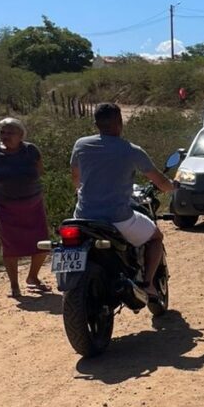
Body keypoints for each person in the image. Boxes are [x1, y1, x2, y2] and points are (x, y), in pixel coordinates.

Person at [70, 103, 175, 297]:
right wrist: (173, 187)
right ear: (120, 122)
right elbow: (160, 181)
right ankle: (147, 283)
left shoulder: (81, 144)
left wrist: (81, 190)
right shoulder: (131, 150)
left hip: (83, 216)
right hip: (117, 218)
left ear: (96, 124)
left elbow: (76, 178)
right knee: (155, 237)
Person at [0, 117, 49, 297]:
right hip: (7, 207)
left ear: (21, 135)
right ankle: (14, 285)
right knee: (10, 247)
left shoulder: (31, 150)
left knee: (42, 244)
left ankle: (32, 277)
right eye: (2, 132)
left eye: (10, 132)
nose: (5, 136)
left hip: (33, 204)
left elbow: (40, 171)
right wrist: (0, 191)